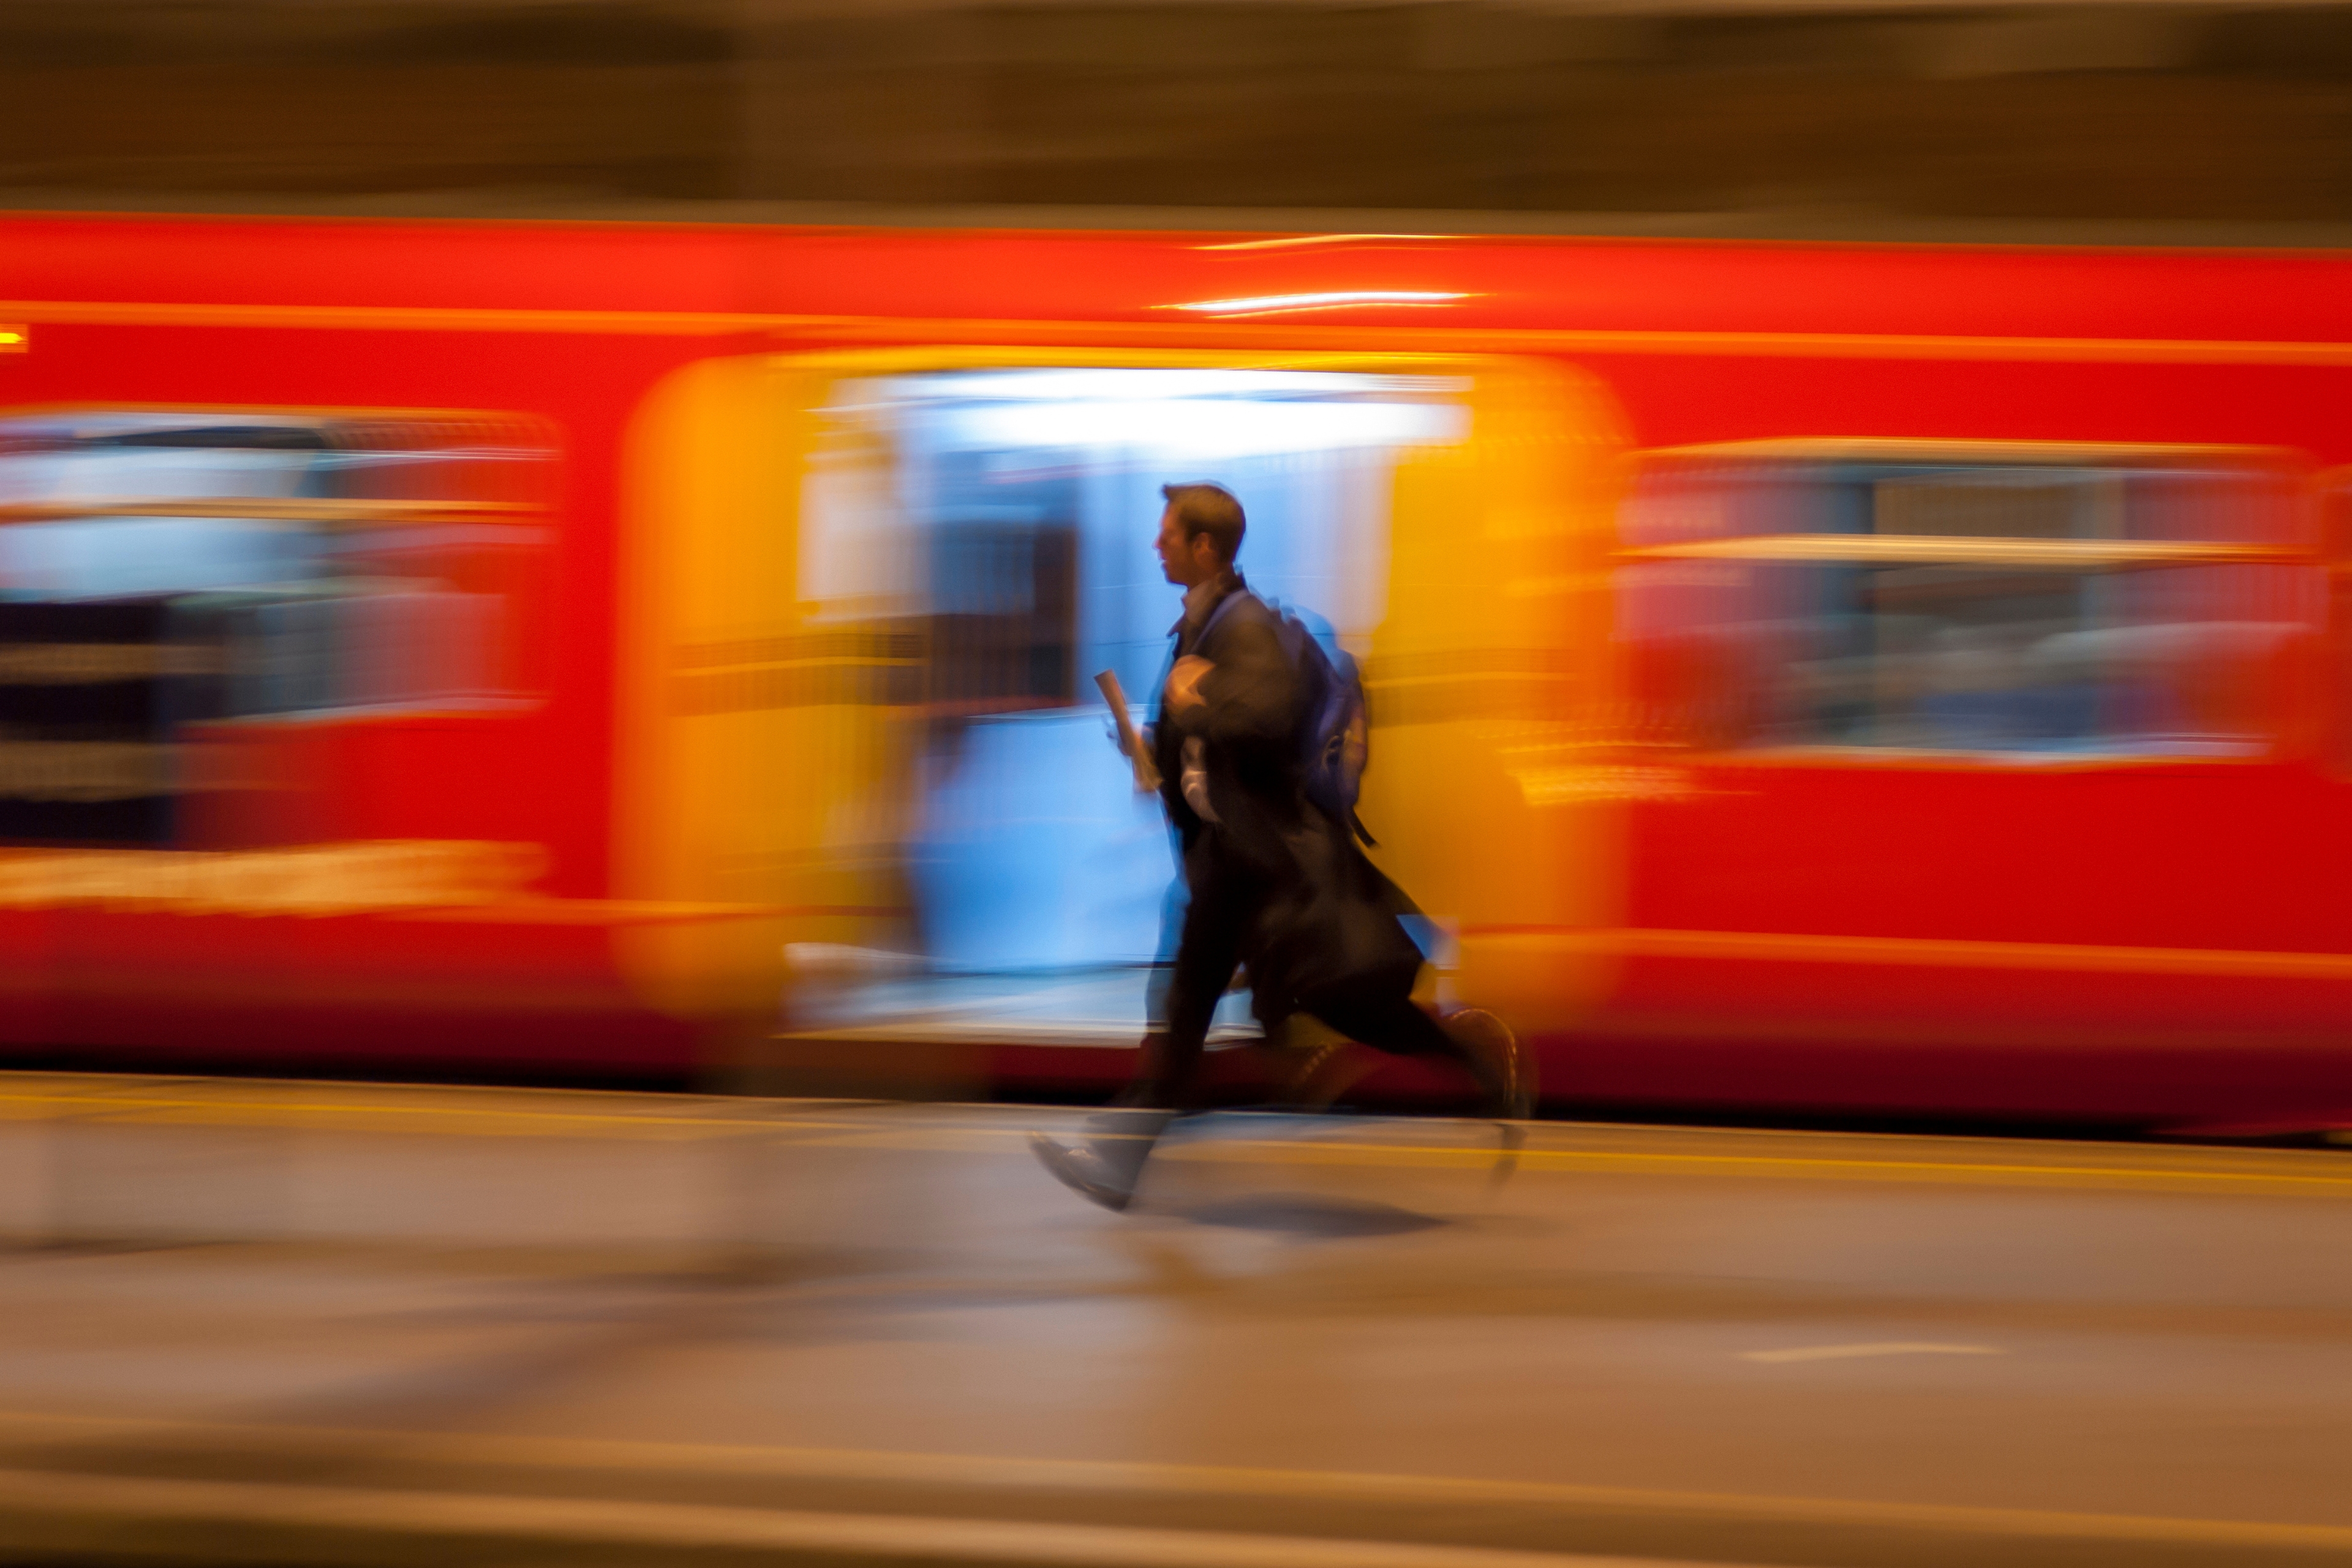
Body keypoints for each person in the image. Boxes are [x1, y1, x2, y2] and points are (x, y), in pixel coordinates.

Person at [1029, 483, 1531, 1212]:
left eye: (1167, 533)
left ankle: (1480, 1066)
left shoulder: (1247, 626)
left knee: (1354, 1009)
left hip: (1273, 873)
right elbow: (1201, 739)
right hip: (1232, 869)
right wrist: (1151, 750)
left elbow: (1264, 713)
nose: (1156, 544)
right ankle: (1119, 1161)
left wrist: (1197, 700)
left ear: (1204, 548)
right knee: (1188, 1004)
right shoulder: (1200, 625)